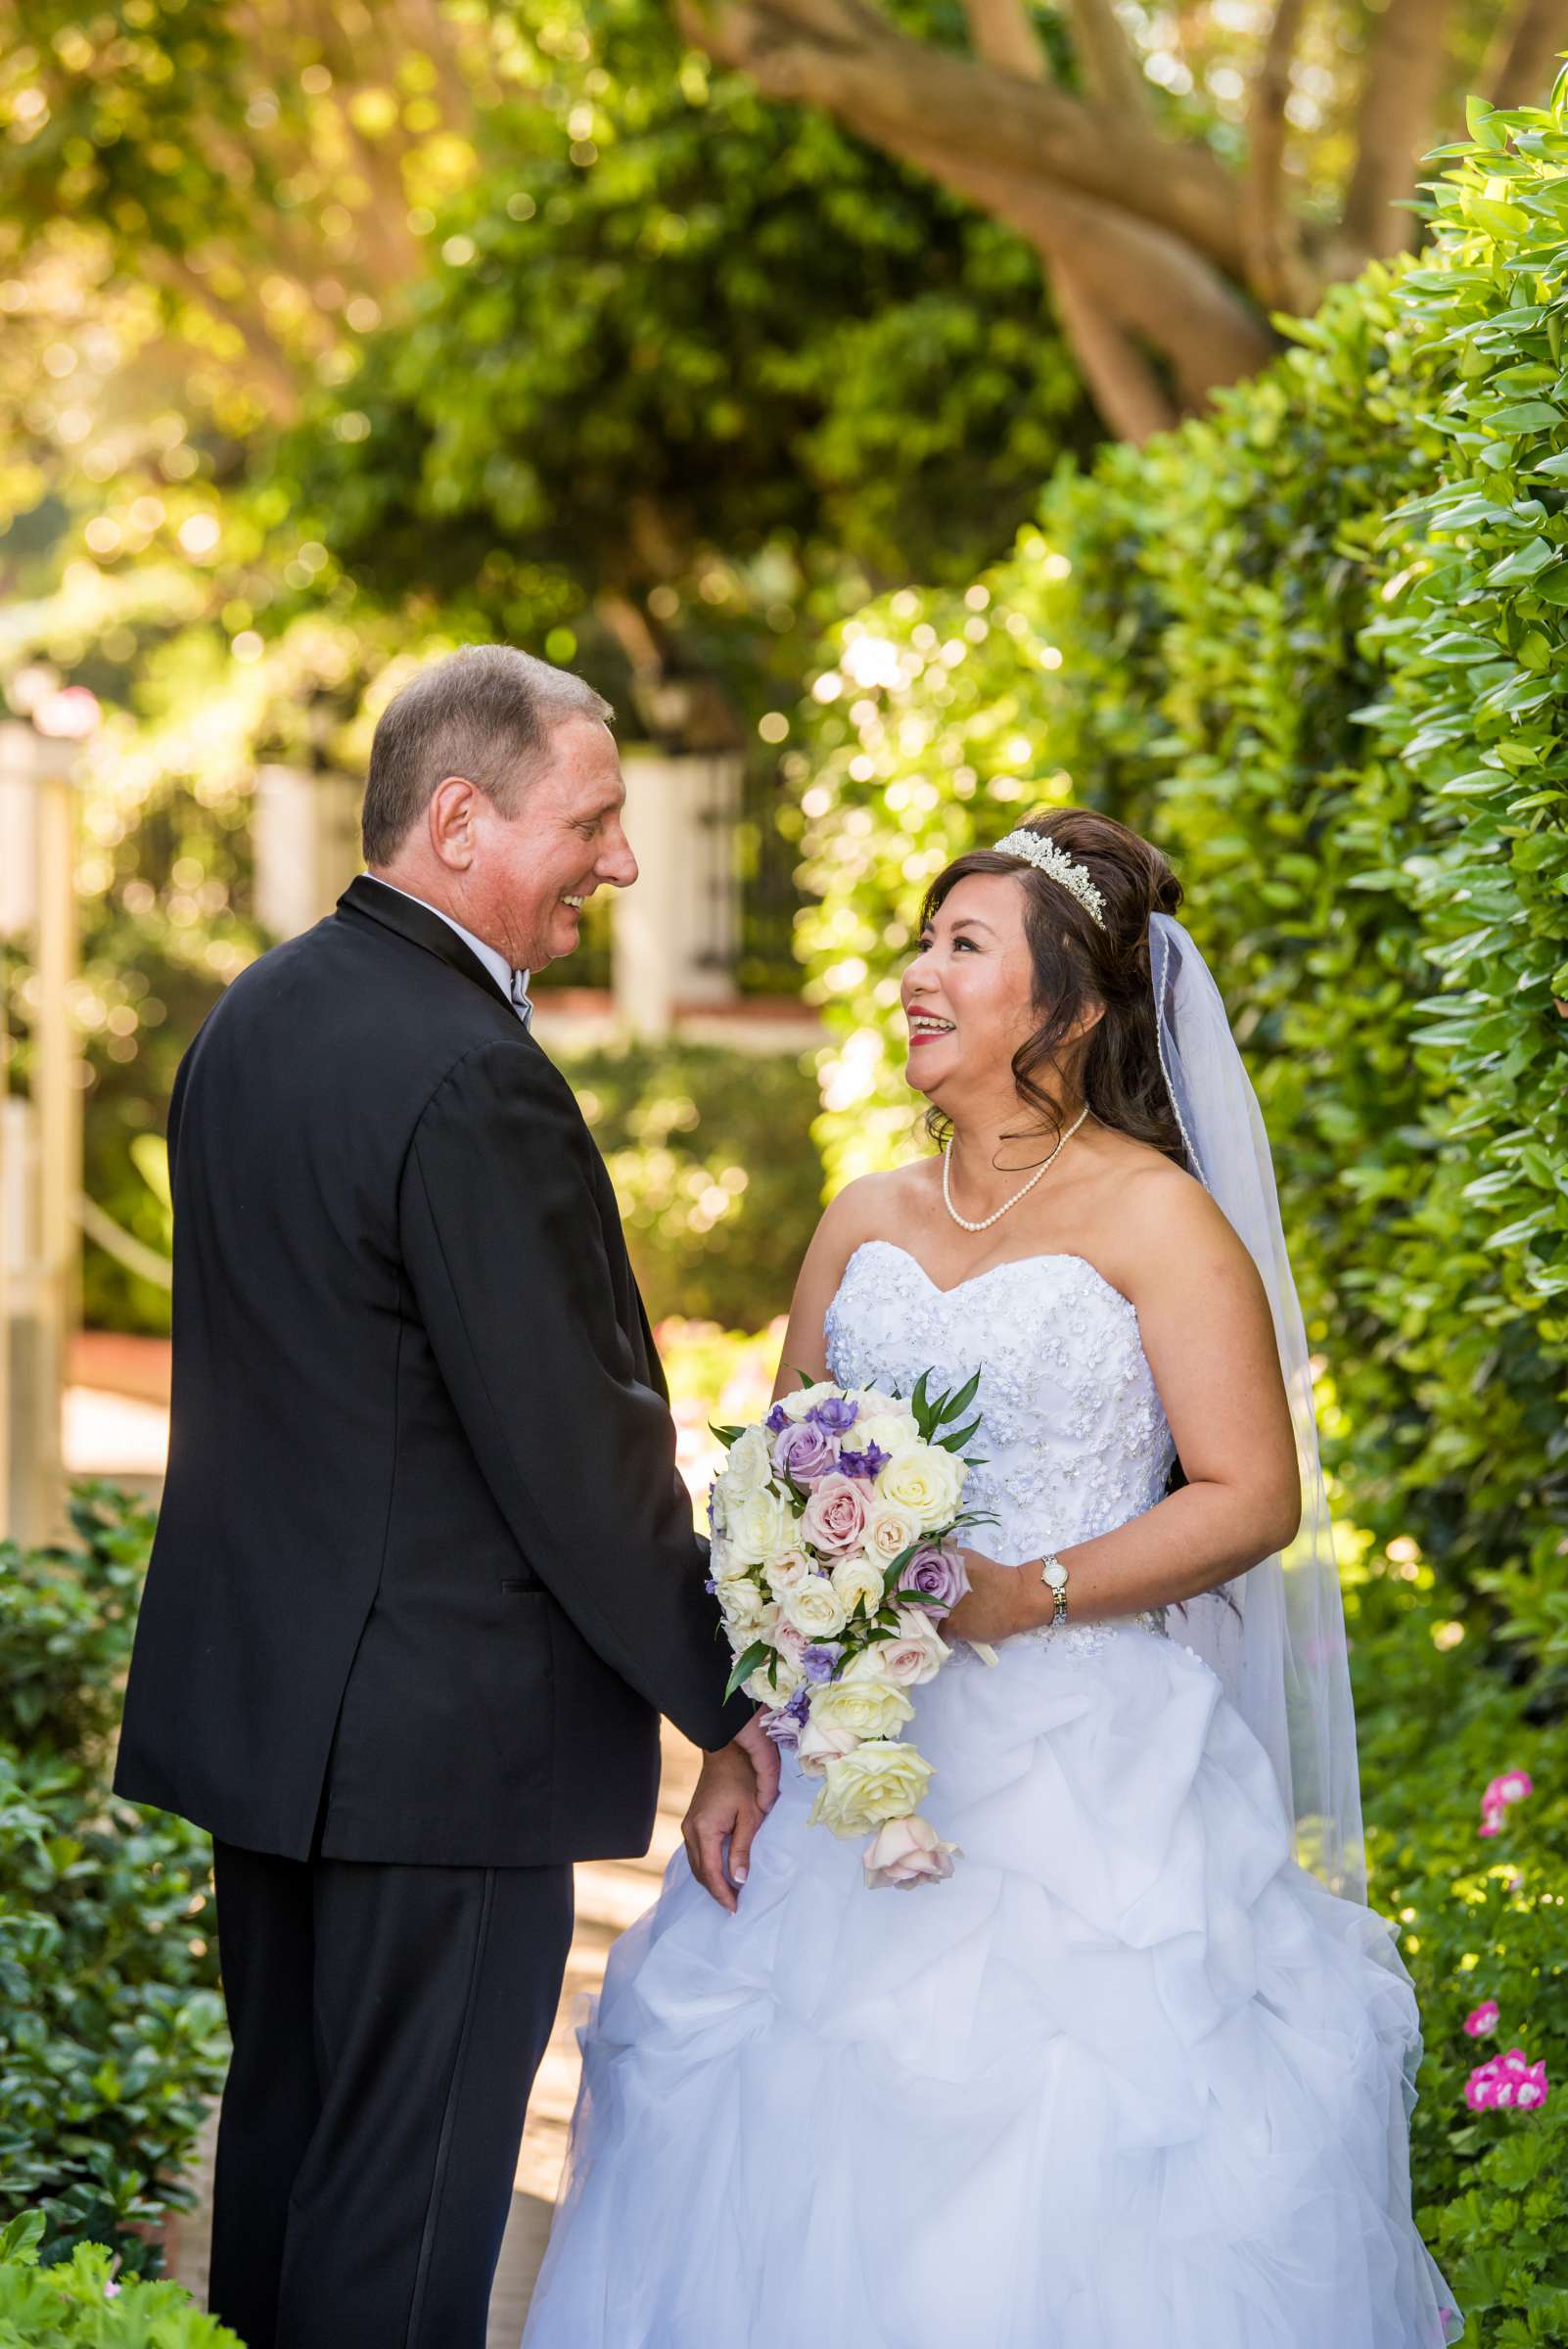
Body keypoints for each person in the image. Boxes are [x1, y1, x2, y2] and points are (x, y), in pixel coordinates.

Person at [522, 806, 1461, 2348]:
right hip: (852, 1768)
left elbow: (1251, 1495)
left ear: (1072, 1009)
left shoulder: (1159, 1219)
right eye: (918, 940)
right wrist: (743, 1738)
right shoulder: (861, 1219)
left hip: (1087, 1778)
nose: (915, 973)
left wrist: (1031, 1589)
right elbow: (777, 1503)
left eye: (962, 946)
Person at [113, 644, 775, 2349]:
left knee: (285, 2170)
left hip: (274, 1731)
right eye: (595, 819)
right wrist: (729, 1697)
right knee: (403, 2234)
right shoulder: (475, 1071)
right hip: (440, 1744)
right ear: (462, 817)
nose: (619, 863)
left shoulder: (257, 1011)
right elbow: (576, 1450)